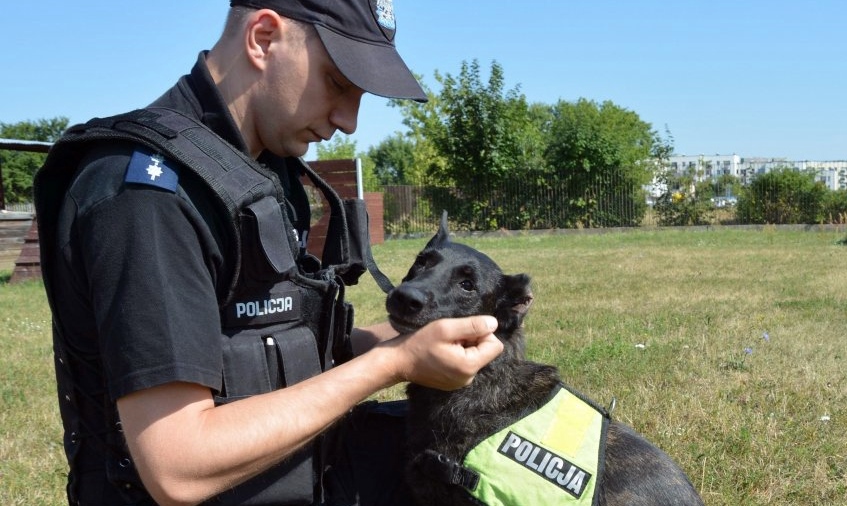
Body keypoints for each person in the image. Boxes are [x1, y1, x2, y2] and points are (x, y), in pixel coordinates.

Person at [34, 1, 503, 505]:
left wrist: (428, 334)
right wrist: (392, 363)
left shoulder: (255, 170)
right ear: (262, 37)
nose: (349, 120)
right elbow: (177, 467)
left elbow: (278, 338)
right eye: (338, 83)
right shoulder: (148, 198)